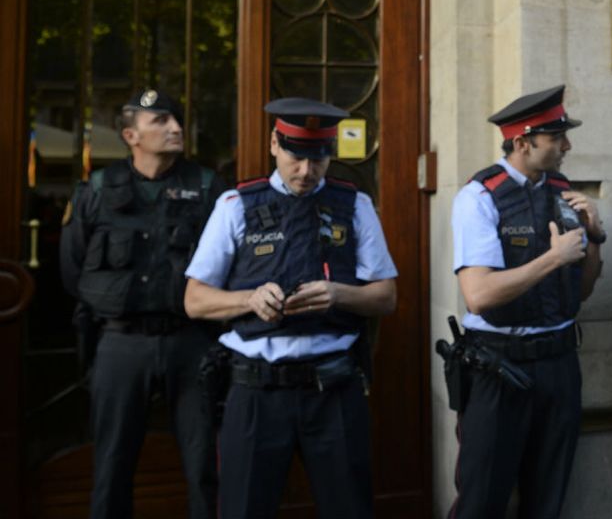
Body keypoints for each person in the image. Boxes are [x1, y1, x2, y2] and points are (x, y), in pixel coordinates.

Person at [183, 98, 397, 519]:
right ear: (274, 144)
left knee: (349, 508)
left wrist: (338, 294)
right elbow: (194, 300)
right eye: (296, 157)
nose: (306, 171)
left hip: (333, 386)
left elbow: (385, 297)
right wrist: (249, 298)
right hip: (255, 391)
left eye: (319, 159)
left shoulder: (354, 205)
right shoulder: (235, 205)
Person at [60, 88, 223, 519]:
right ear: (132, 135)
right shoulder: (96, 190)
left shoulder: (207, 188)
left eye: (177, 120)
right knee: (111, 464)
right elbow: (73, 268)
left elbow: (231, 263)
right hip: (120, 343)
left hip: (192, 341)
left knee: (205, 463)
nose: (176, 128)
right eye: (161, 122)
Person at [446, 85, 603, 518]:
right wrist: (553, 258)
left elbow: (582, 290)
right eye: (556, 138)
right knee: (483, 500)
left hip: (558, 363)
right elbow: (478, 295)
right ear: (522, 142)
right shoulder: (479, 198)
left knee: (547, 498)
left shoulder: (561, 191)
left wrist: (595, 236)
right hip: (500, 368)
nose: (567, 145)